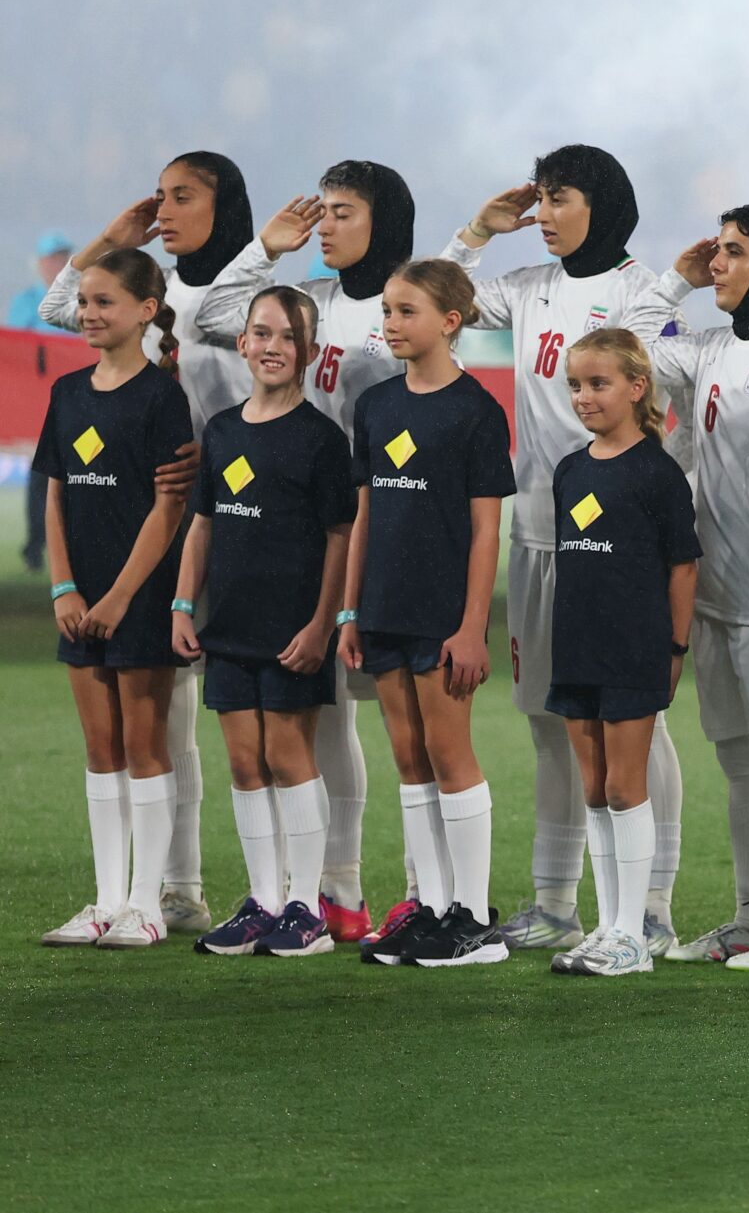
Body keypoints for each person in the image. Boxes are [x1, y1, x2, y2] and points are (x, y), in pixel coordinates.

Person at [199, 159, 466, 943]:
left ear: (383, 223)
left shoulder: (398, 310)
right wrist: (266, 249)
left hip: (381, 531)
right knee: (325, 721)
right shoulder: (308, 300)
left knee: (406, 730)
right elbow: (214, 315)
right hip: (296, 539)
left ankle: (425, 892)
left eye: (342, 211)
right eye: (323, 210)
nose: (324, 224)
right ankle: (333, 889)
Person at [451, 146, 685, 956]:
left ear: (603, 204)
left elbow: (674, 398)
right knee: (551, 721)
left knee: (638, 727)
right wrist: (477, 231)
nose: (544, 215)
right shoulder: (527, 287)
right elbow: (438, 300)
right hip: (539, 536)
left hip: (619, 547)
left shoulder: (644, 293)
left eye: (560, 199)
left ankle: (651, 907)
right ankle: (556, 904)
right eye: (541, 199)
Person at [46, 154, 265, 938]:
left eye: (183, 196)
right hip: (124, 554)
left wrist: (265, 250)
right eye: (161, 196)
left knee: (241, 721)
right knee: (134, 736)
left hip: (213, 535)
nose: (164, 209)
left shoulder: (233, 299)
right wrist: (111, 238)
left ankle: (285, 887)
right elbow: (56, 485)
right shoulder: (78, 380)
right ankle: (141, 895)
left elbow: (172, 496)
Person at [624, 203, 749, 970]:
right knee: (740, 761)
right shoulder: (710, 347)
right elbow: (626, 346)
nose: (717, 261)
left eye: (734, 251)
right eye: (717, 249)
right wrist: (674, 282)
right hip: (715, 593)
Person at [170, 285, 355, 957]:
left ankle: (306, 908)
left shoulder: (322, 439)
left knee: (286, 755)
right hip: (230, 626)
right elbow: (202, 523)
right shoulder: (221, 430)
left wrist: (322, 624)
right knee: (245, 762)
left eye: (288, 336)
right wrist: (183, 603)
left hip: (292, 628)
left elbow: (340, 536)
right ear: (242, 341)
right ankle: (263, 901)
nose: (273, 346)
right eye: (262, 333)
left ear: (309, 351)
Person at [340, 261, 515, 968]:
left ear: (450, 321)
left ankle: (473, 919)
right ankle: (434, 909)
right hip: (384, 607)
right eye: (387, 309)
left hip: (443, 616)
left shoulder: (476, 411)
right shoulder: (375, 405)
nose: (390, 322)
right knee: (410, 760)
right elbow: (364, 514)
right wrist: (351, 609)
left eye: (406, 310)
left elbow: (486, 531)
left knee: (449, 755)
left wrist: (472, 627)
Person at [35, 248, 192, 949]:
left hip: (140, 595)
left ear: (145, 311)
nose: (89, 313)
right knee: (100, 749)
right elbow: (56, 493)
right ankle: (104, 902)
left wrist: (122, 597)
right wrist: (65, 587)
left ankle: (146, 905)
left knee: (143, 744)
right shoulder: (68, 391)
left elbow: (170, 505)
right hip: (81, 598)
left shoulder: (162, 397)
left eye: (105, 301)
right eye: (84, 301)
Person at [544, 329, 701, 977]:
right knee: (593, 789)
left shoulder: (657, 473)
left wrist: (674, 647)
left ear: (637, 388)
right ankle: (607, 927)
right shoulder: (570, 469)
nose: (584, 396)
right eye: (575, 385)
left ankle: (634, 935)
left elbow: (683, 567)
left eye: (598, 383)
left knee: (624, 786)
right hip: (577, 647)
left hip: (633, 648)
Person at [14, 233, 76, 572]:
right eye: (51, 259)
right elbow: (15, 353)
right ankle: (36, 546)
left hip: (80, 404)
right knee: (41, 476)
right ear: (40, 264)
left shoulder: (84, 297)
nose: (57, 265)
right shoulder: (26, 303)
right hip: (40, 407)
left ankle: (75, 545)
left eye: (62, 257)